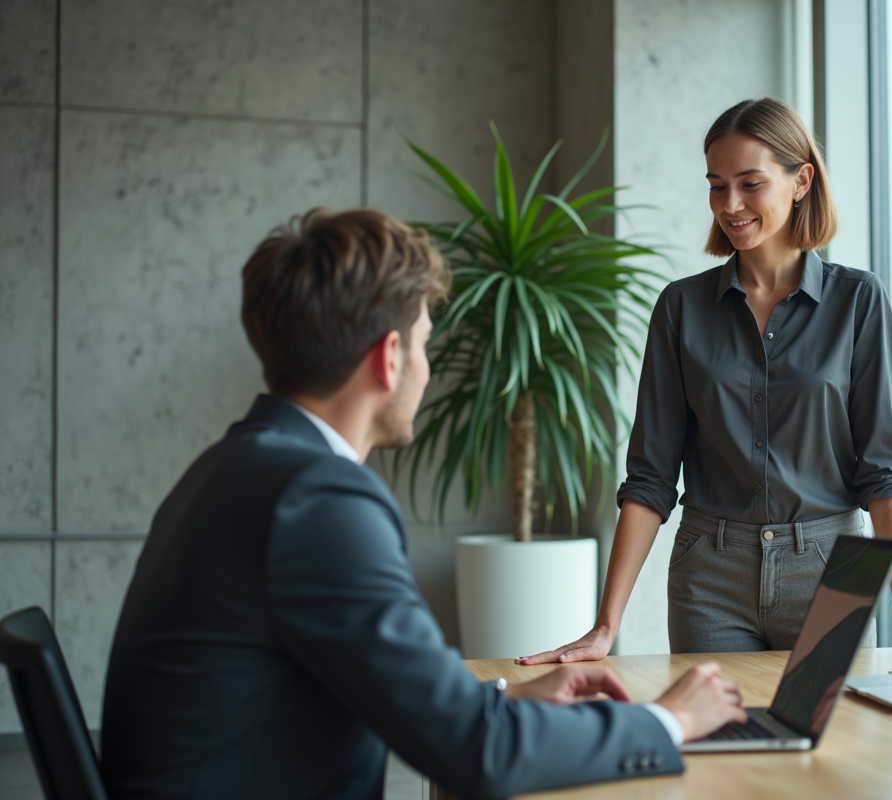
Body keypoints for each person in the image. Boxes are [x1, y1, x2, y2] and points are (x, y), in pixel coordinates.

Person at [100, 209, 747, 800]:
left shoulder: (235, 465)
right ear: (388, 358)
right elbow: (478, 755)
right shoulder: (318, 498)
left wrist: (503, 696)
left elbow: (374, 686)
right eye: (423, 343)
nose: (427, 370)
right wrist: (668, 720)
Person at [519, 98, 892, 667]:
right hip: (708, 577)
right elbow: (649, 478)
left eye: (749, 183)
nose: (730, 205)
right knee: (720, 747)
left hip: (831, 569)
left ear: (801, 181)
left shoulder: (857, 301)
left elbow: (883, 472)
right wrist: (603, 627)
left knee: (829, 748)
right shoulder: (681, 307)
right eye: (717, 186)